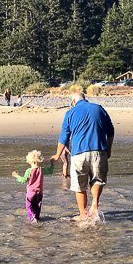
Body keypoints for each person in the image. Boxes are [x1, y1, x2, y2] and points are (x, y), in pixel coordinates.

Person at [51, 91, 114, 221]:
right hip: (99, 151)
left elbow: (64, 137)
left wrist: (57, 154)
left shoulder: (70, 113)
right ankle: (95, 205)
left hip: (79, 153)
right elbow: (111, 130)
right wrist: (109, 149)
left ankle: (83, 214)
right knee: (98, 180)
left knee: (79, 185)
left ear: (73, 102)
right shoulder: (99, 108)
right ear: (84, 99)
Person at [12, 150, 54, 223]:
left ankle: (32, 218)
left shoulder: (29, 171)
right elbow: (50, 171)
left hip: (31, 192)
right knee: (37, 206)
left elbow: (23, 180)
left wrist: (16, 176)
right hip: (39, 192)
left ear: (32, 161)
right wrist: (52, 163)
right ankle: (37, 217)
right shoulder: (42, 169)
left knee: (29, 206)